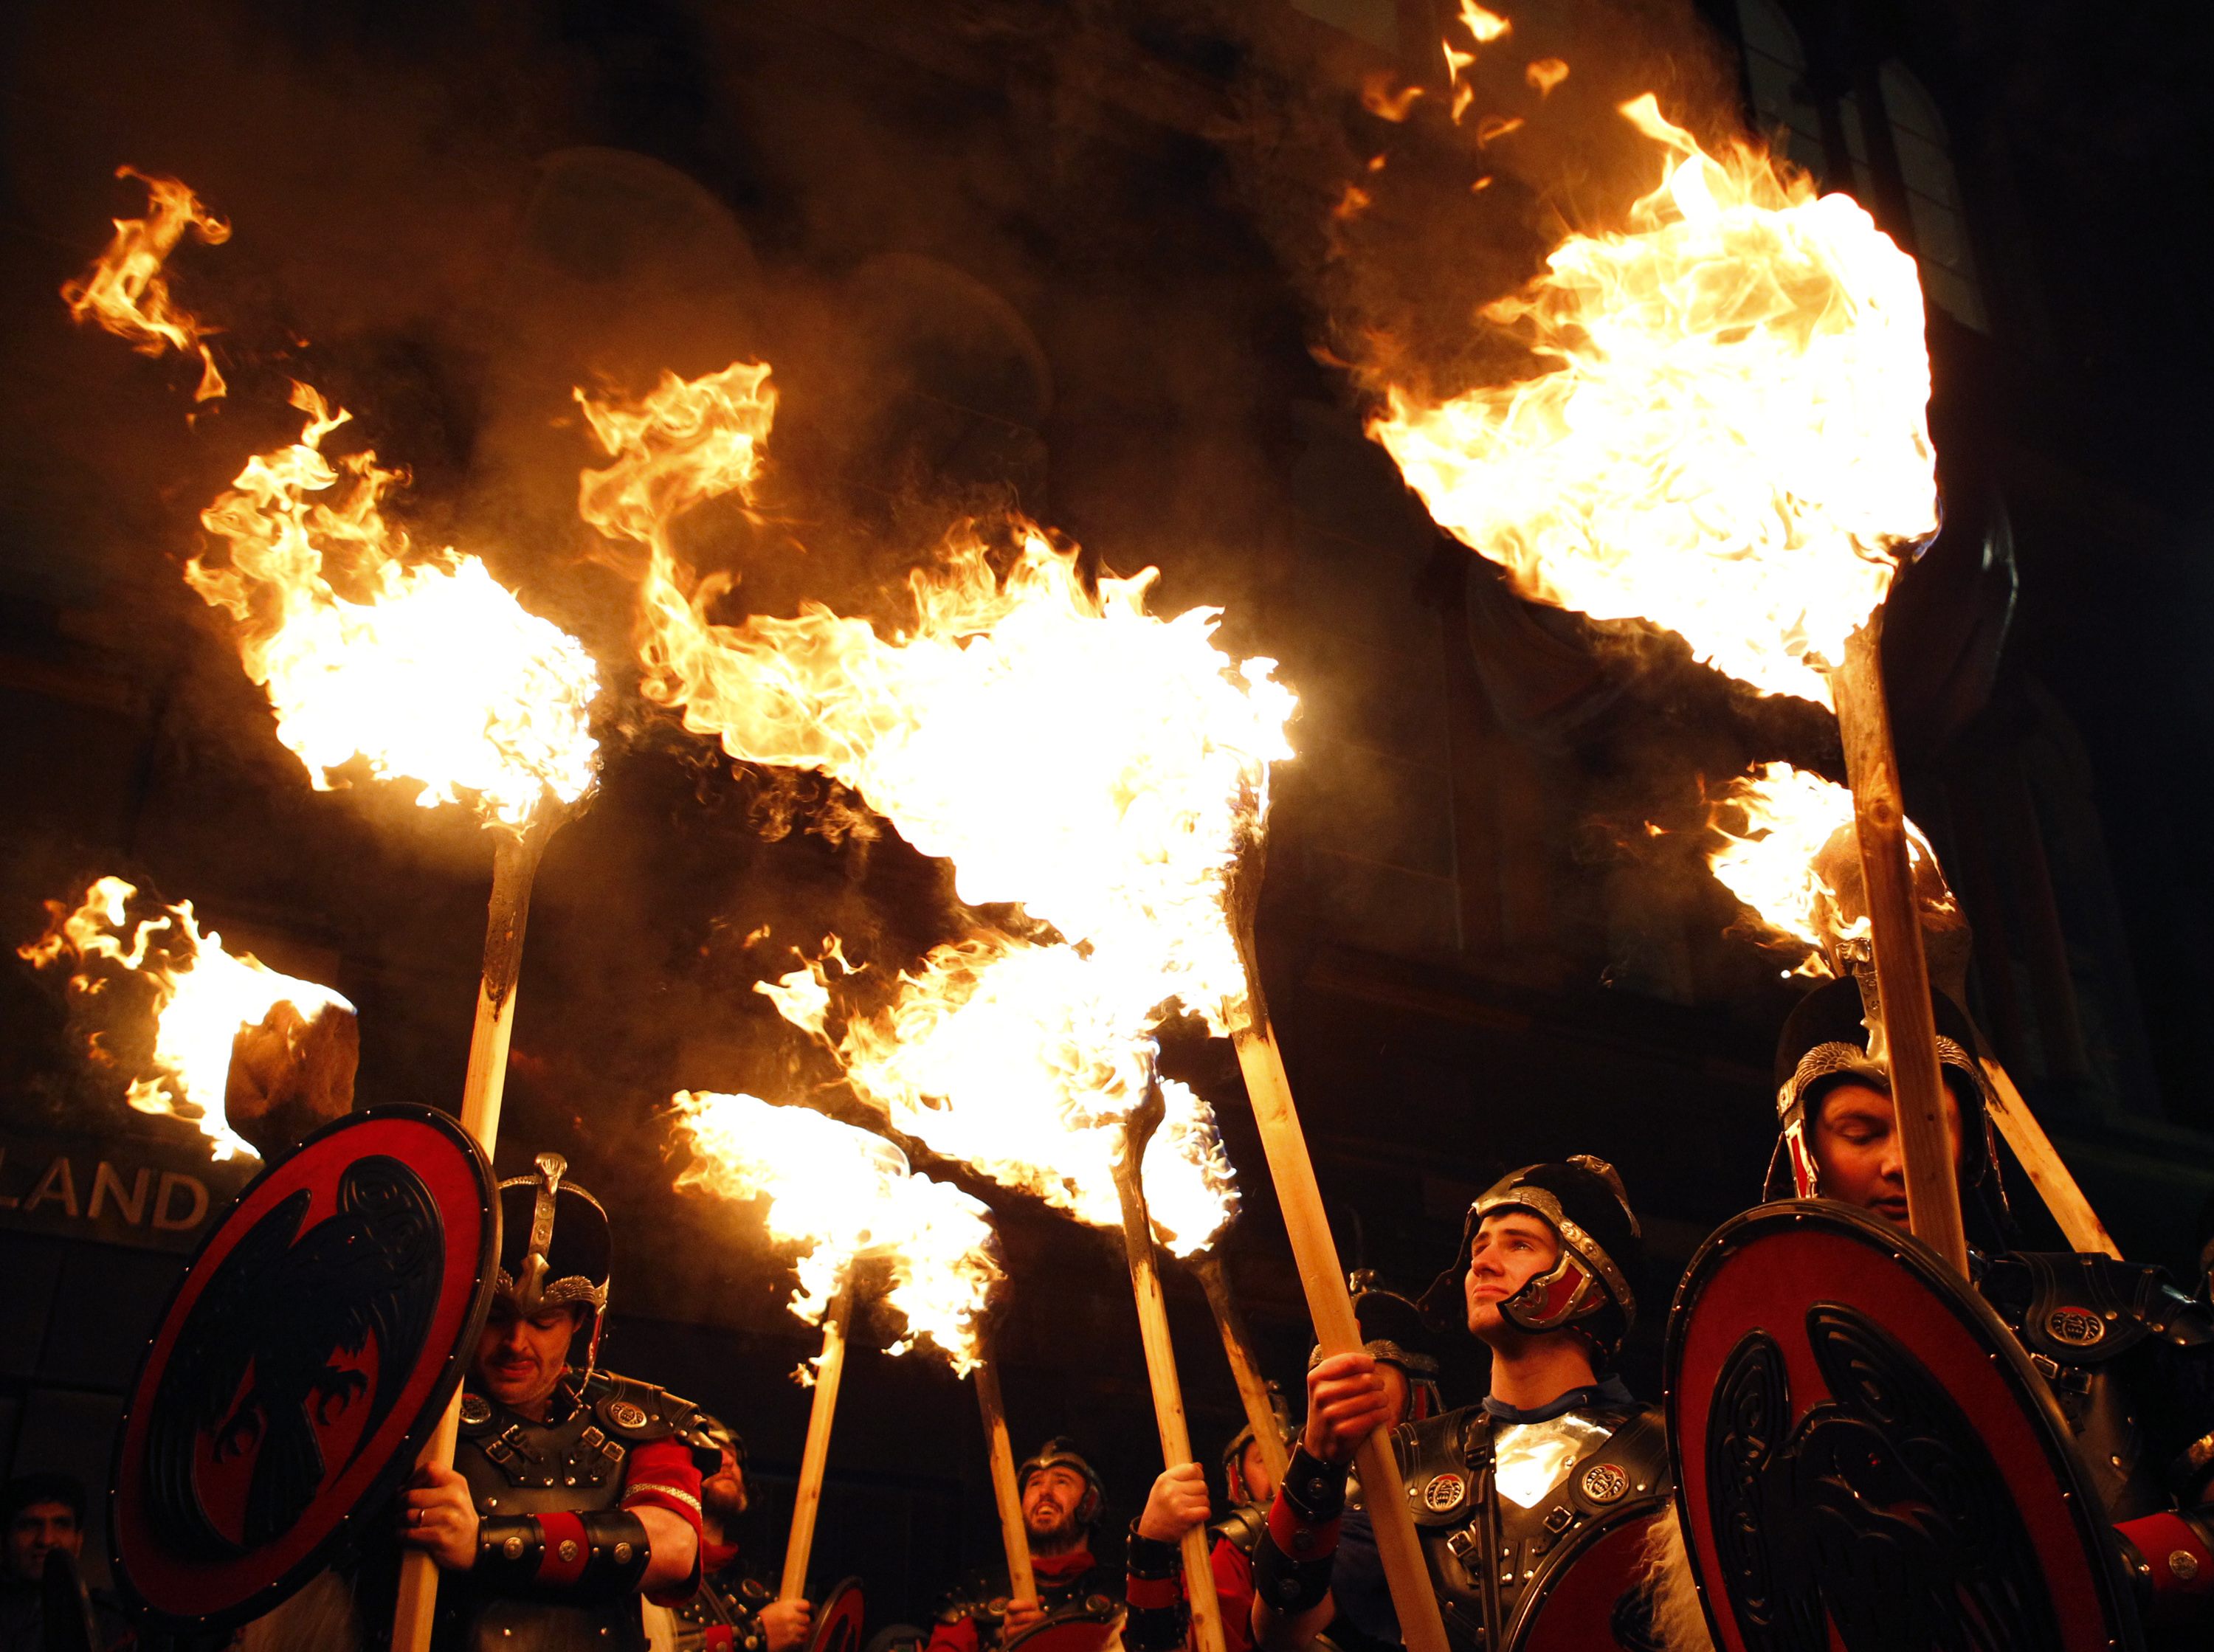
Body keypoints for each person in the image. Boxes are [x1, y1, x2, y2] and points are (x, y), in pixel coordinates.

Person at [1771, 975, 2214, 1642]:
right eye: (1861, 1132)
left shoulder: (2119, 1308)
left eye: (1927, 1123)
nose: (1900, 1161)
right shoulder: (1767, 1369)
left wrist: (2113, 1573)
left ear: (1969, 1139)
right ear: (1809, 1150)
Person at [1252, 1158, 1667, 1652]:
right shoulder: (1410, 1460)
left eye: (1519, 1243)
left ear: (1588, 1277)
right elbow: (1280, 1628)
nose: (1483, 1262)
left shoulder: (1672, 1457)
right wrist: (1316, 1460)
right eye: (1480, 1246)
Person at [398, 1152, 722, 1651]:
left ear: (579, 1324)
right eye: (498, 1316)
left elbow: (675, 1547)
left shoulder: (640, 1419)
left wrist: (480, 1542)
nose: (516, 1343)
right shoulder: (416, 1410)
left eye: (543, 1322)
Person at [928, 1440, 1120, 1652]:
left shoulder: (1124, 1596)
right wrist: (1009, 1647)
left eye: (1062, 1482)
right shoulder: (975, 1595)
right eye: (1035, 1483)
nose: (1045, 1492)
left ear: (1091, 1503)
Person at [669, 1415, 815, 1652]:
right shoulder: (647, 1577)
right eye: (710, 1449)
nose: (727, 1460)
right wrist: (755, 1635)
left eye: (732, 1454)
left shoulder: (764, 1592)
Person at [1, 1473, 135, 1652]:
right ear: (4, 1541)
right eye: (30, 1525)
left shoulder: (106, 1623)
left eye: (61, 1524)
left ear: (78, 1540)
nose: (46, 1540)